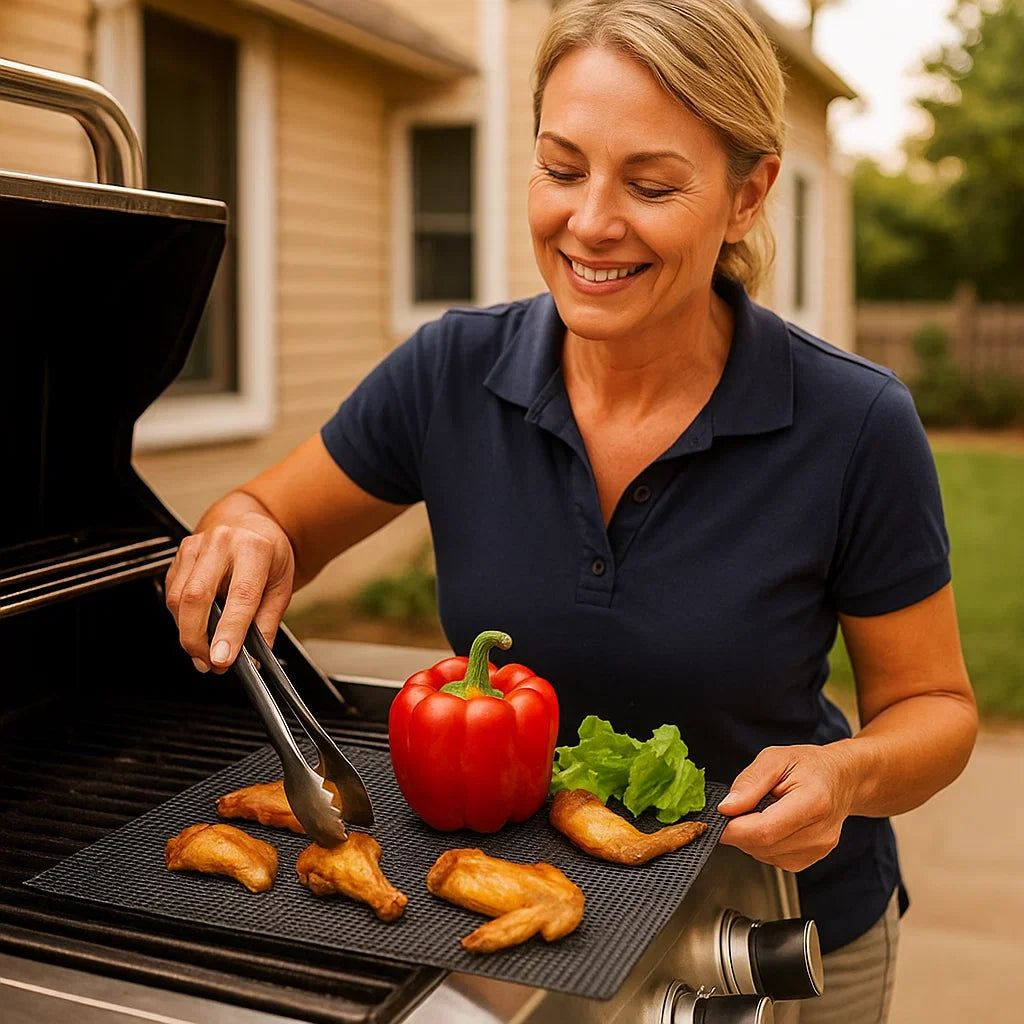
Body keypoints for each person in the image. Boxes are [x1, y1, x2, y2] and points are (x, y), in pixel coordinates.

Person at [164, 1, 977, 1020]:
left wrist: (848, 774)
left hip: (773, 924)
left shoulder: (852, 422)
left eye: (650, 184)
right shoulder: (448, 373)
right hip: (544, 931)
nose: (590, 222)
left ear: (747, 192)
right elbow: (269, 515)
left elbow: (935, 712)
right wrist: (244, 527)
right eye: (560, 168)